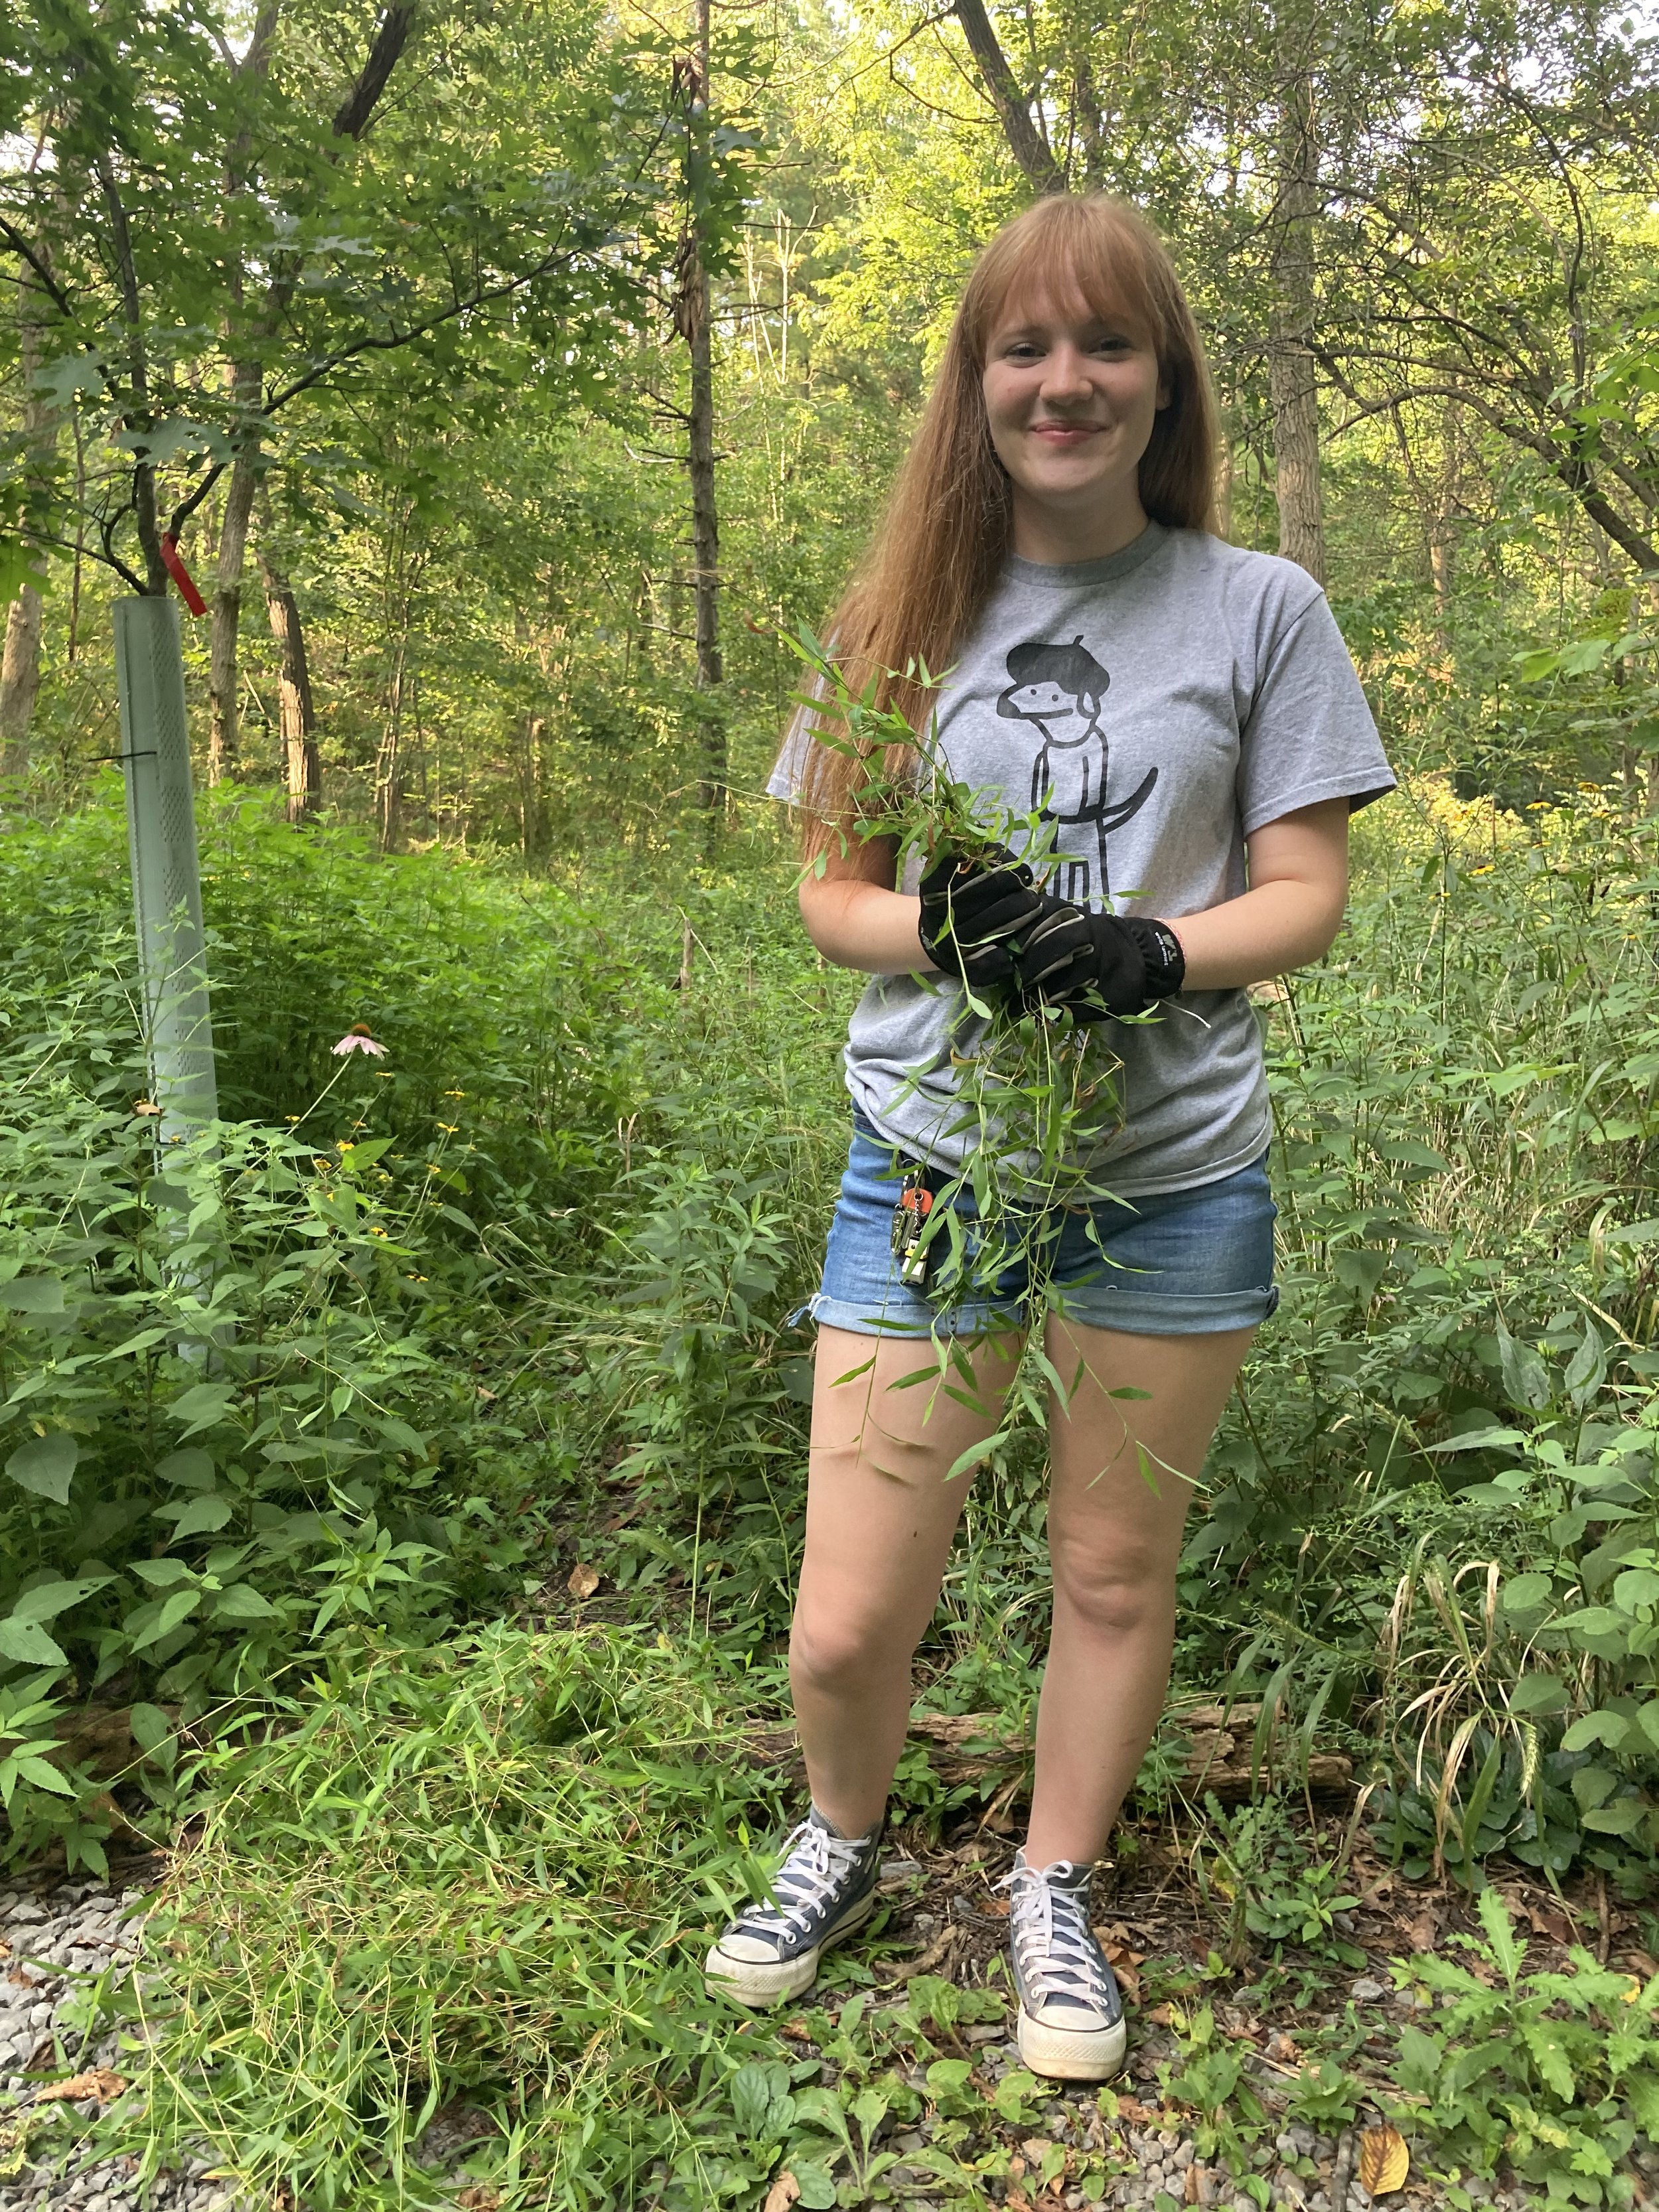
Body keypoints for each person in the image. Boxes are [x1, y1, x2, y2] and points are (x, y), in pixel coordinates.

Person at [704, 192, 1394, 2083]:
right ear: (975, 382)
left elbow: (1304, 895)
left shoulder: (1256, 607)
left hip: (1167, 1178)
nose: (1062, 380)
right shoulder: (899, 617)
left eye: (1102, 345)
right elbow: (826, 895)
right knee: (848, 1620)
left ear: (1159, 377)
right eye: (1023, 347)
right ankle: (839, 1834)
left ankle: (1052, 1879)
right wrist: (955, 931)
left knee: (1108, 1576)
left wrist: (1143, 950)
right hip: (931, 1166)